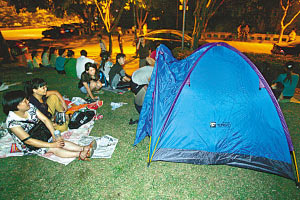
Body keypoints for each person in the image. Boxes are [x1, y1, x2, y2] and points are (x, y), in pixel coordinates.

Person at [3, 90, 95, 160]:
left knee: (60, 142)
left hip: (40, 132)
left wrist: (55, 135)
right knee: (53, 148)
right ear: (16, 106)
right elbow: (29, 141)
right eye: (24, 101)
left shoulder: (29, 107)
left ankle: (83, 148)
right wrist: (52, 145)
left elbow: (45, 120)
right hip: (30, 144)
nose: (27, 101)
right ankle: (80, 154)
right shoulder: (12, 123)